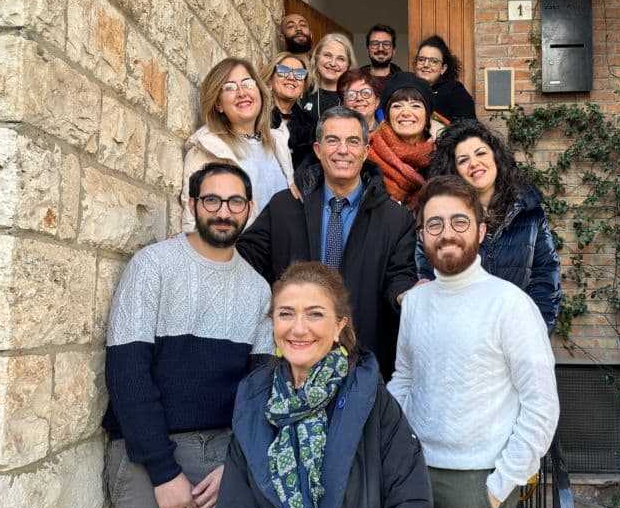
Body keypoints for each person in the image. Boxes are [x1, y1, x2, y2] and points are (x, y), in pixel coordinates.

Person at [103, 163, 275, 508]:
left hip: (226, 449)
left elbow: (259, 392)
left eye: (235, 202)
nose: (223, 211)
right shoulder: (153, 266)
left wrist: (237, 462)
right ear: (192, 203)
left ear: (249, 208)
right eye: (211, 200)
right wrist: (163, 472)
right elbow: (128, 375)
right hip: (152, 451)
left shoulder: (258, 289)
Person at [213, 261, 433, 508]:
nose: (299, 328)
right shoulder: (253, 405)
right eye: (286, 313)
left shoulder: (375, 404)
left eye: (315, 314)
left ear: (338, 326)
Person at [389, 175, 559, 508]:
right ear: (423, 235)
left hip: (480, 482)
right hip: (415, 475)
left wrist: (502, 485)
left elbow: (541, 405)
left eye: (459, 223)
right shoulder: (416, 303)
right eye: (434, 224)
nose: (447, 233)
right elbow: (404, 380)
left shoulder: (510, 305)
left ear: (481, 231)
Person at [237, 105, 417, 380]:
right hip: (293, 363)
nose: (343, 150)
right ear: (318, 150)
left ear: (366, 151)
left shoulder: (395, 218)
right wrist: (205, 243)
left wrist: (405, 295)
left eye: (352, 141)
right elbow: (244, 262)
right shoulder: (284, 207)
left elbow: (400, 276)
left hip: (363, 365)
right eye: (333, 140)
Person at [419, 120, 562, 333]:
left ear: (495, 157)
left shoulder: (528, 210)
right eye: (463, 160)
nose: (474, 163)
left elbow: (546, 277)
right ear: (455, 170)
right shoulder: (440, 216)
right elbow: (428, 276)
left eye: (481, 153)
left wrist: (534, 334)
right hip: (461, 339)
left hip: (518, 337)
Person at [181, 58, 295, 231]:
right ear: (219, 104)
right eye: (229, 87)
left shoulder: (278, 143)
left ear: (259, 91)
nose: (241, 92)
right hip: (235, 254)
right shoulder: (205, 150)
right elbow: (193, 224)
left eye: (247, 83)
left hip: (281, 253)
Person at [367, 71, 438, 212]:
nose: (406, 112)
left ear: (427, 116)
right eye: (397, 106)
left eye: (415, 106)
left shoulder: (441, 156)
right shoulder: (366, 157)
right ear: (387, 115)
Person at [261, 51, 317, 170]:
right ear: (270, 80)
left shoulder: (311, 125)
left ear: (303, 87)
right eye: (283, 71)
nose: (291, 77)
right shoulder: (256, 115)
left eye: (299, 74)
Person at [414, 34, 477, 121]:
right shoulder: (408, 89)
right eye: (421, 59)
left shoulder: (455, 91)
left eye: (433, 61)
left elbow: (469, 128)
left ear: (443, 68)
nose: (426, 65)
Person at [300, 33, 356, 119]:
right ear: (316, 57)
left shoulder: (355, 99)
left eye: (340, 59)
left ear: (348, 65)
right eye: (327, 55)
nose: (333, 63)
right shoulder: (301, 91)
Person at [337, 69, 381, 134]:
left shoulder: (389, 134)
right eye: (351, 94)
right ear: (342, 103)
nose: (359, 98)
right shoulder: (334, 134)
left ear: (377, 101)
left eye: (366, 93)